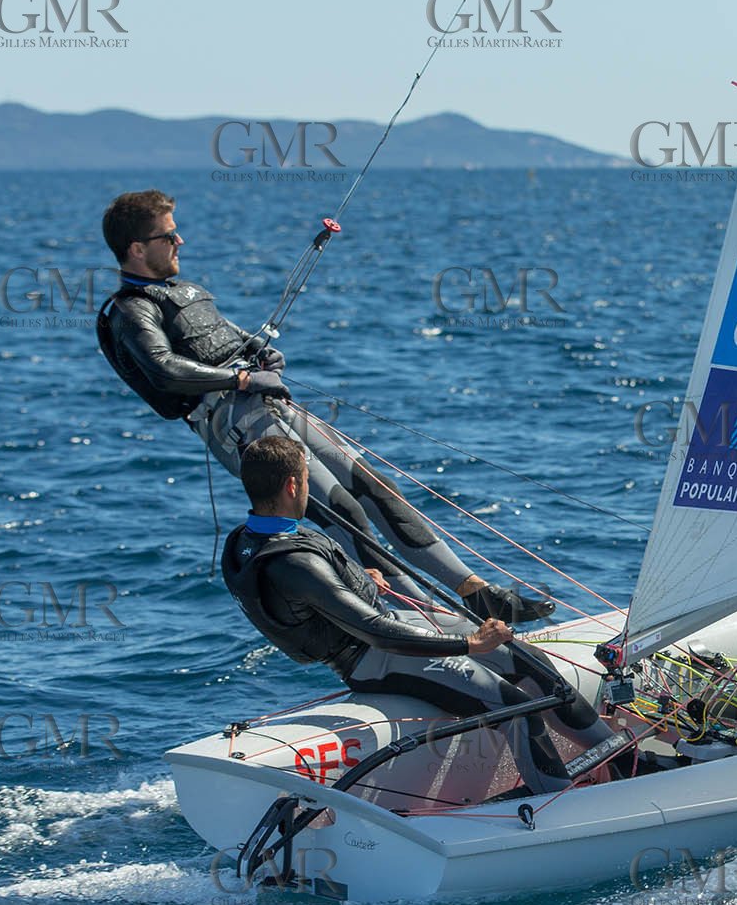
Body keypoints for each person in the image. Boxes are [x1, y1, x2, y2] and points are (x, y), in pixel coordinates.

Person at [96, 187, 549, 623]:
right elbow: (163, 368)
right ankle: (436, 622)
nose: (180, 240)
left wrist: (258, 352)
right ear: (137, 249)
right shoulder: (131, 310)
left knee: (376, 488)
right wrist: (243, 377)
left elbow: (227, 339)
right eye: (168, 235)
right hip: (235, 425)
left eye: (176, 231)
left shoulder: (184, 291)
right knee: (341, 513)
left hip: (270, 406)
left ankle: (478, 595)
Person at [221, 436, 620, 794]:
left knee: (532, 663)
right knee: (518, 708)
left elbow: (311, 600)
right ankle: (557, 803)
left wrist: (357, 582)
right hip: (377, 657)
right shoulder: (295, 565)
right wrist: (471, 644)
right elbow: (376, 632)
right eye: (307, 480)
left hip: (395, 626)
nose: (309, 488)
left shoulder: (245, 539)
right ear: (292, 485)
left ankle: (617, 756)